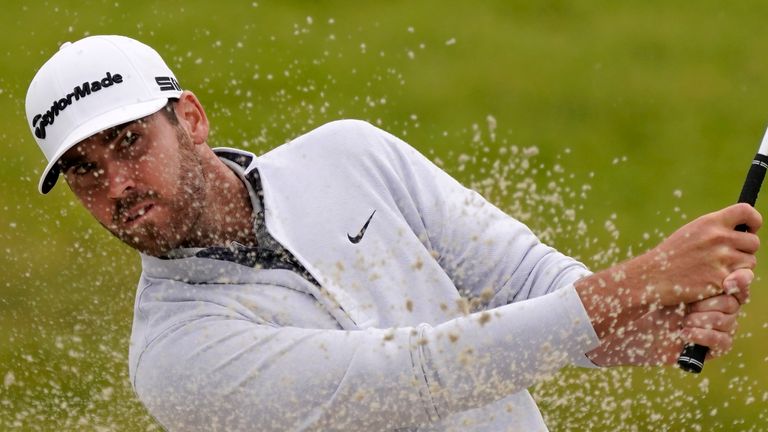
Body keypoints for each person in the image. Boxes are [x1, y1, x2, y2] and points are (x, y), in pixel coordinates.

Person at [25, 35, 760, 431]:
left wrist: (635, 325)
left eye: (127, 142)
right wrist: (634, 283)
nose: (115, 186)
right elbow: (405, 380)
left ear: (188, 118)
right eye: (84, 170)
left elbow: (530, 278)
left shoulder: (350, 153)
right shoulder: (175, 358)